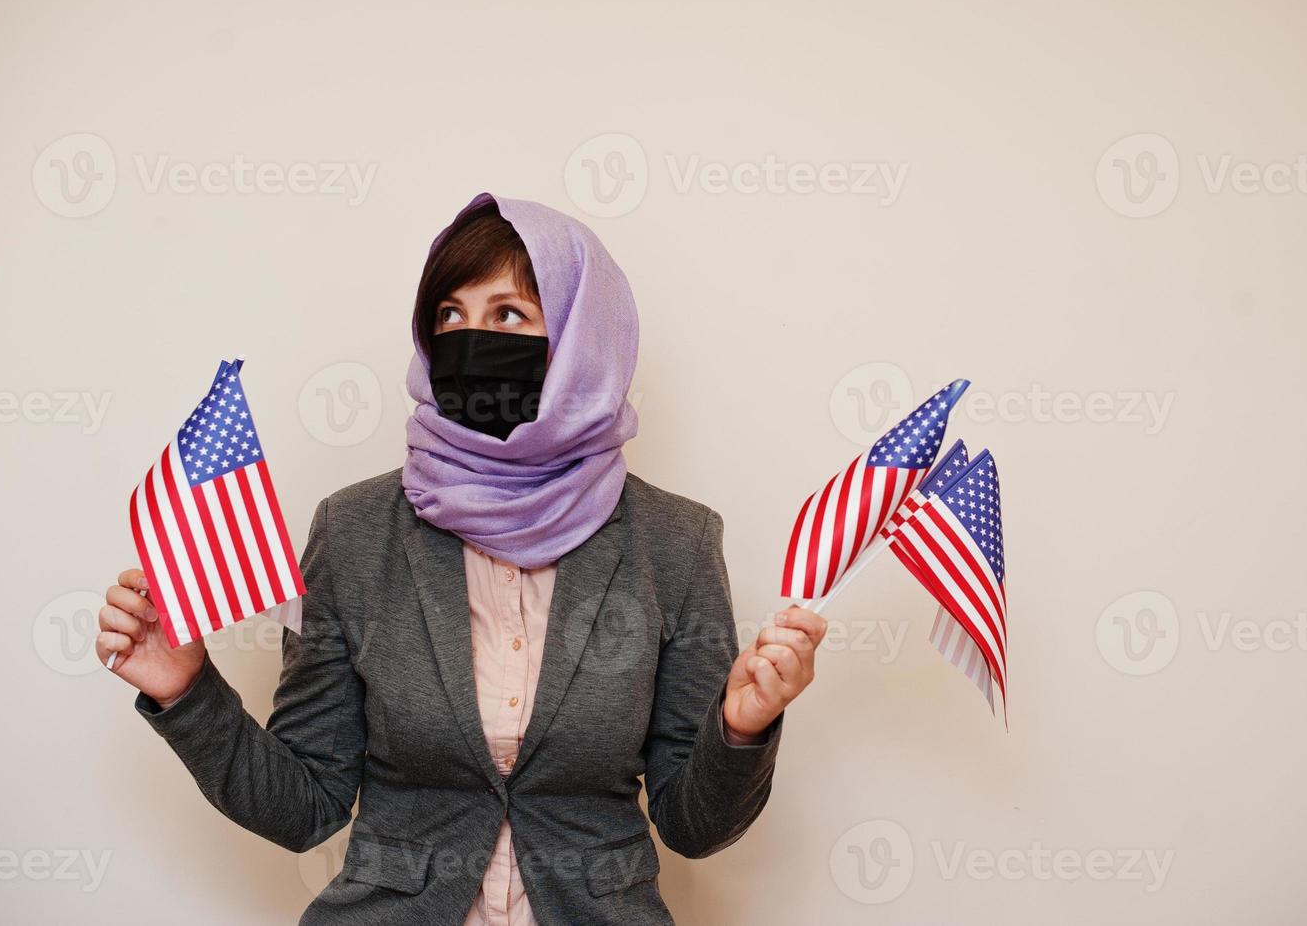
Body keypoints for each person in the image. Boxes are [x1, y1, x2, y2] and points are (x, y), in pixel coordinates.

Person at [95, 192, 828, 925]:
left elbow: (692, 826)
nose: (470, 338)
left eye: (508, 315)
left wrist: (741, 728)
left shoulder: (677, 541)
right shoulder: (353, 531)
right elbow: (304, 807)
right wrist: (185, 692)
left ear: (580, 338)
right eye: (448, 315)